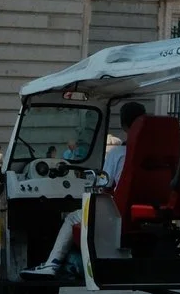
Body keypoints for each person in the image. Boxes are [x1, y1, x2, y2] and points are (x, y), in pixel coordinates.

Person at [24, 99, 148, 279]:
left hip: (117, 212)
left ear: (123, 124)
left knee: (72, 218)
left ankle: (53, 263)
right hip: (144, 207)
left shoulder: (118, 153)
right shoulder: (153, 151)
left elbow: (103, 183)